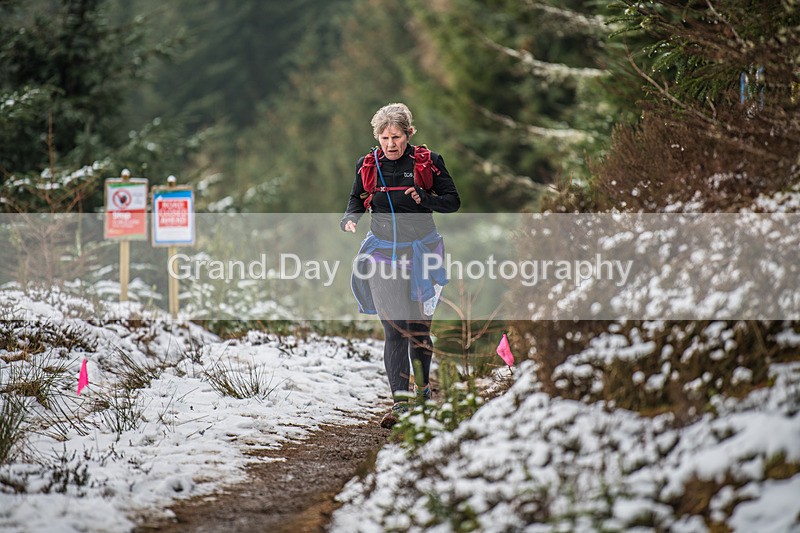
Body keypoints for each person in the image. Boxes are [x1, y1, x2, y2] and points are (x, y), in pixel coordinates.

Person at [341, 103, 460, 428]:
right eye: (384, 137)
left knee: (419, 330)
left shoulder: (428, 162)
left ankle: (422, 397)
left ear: (409, 134)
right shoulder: (367, 164)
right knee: (394, 330)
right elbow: (357, 198)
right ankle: (401, 404)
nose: (390, 144)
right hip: (383, 254)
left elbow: (453, 201)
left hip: (424, 252)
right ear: (377, 137)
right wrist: (350, 218)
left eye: (396, 136)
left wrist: (425, 198)